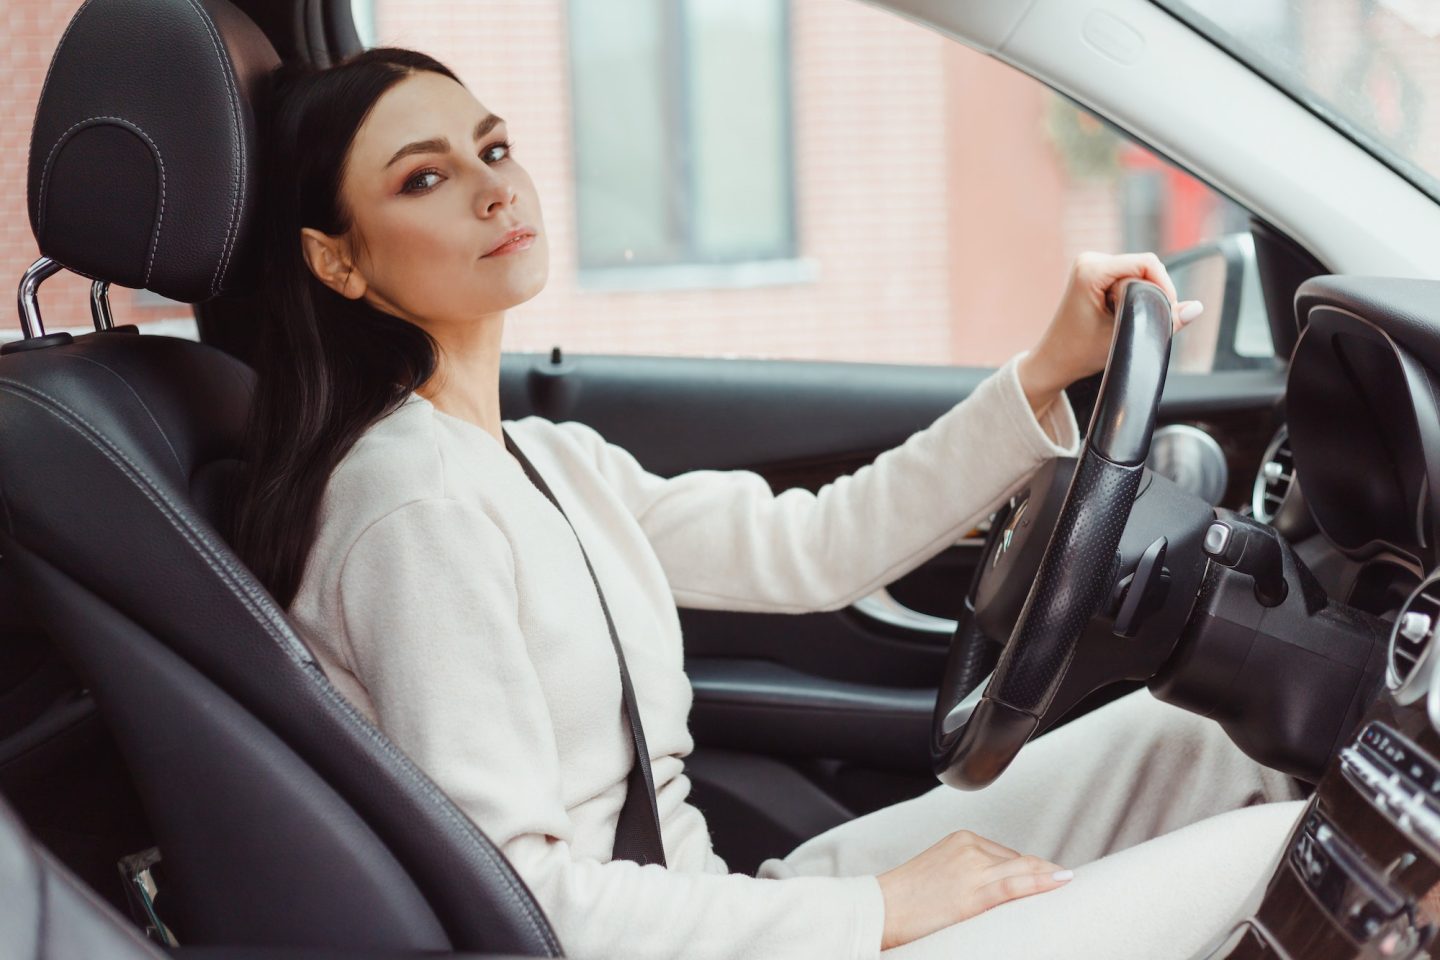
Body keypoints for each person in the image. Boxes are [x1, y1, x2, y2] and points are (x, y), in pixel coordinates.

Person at [230, 47, 1308, 959]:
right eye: (423, 179)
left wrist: (1040, 374)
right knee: (1300, 848)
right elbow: (527, 905)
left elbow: (815, 546)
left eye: (494, 148)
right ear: (338, 262)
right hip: (699, 938)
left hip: (730, 909)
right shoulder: (405, 507)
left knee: (1220, 740)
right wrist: (881, 910)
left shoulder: (545, 460)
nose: (492, 188)